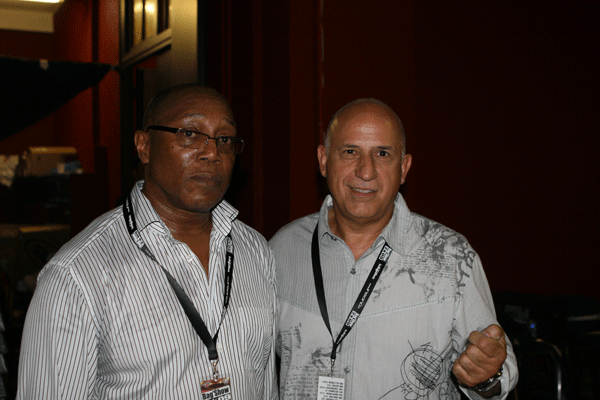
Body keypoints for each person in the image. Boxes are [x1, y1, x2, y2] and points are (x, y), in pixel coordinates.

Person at [17, 84, 278, 399]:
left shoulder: (255, 250)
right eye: (189, 134)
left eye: (225, 139)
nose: (212, 153)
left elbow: (266, 386)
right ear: (144, 146)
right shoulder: (76, 275)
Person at [270, 98, 518, 399]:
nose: (366, 171)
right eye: (350, 151)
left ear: (403, 168)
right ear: (323, 160)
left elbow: (496, 373)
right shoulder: (280, 251)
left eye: (383, 154)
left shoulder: (452, 257)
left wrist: (486, 377)